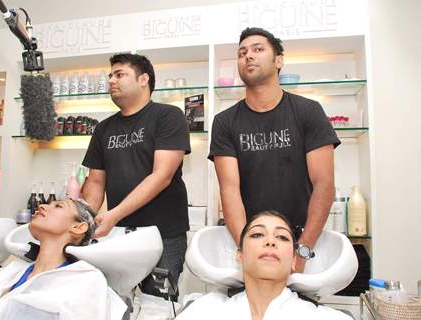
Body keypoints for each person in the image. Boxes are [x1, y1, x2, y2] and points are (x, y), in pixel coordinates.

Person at [209, 27, 340, 272]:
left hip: (299, 239)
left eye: (258, 49)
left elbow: (324, 185)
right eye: (242, 52)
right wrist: (245, 247)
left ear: (279, 60)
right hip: (252, 239)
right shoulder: (225, 122)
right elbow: (229, 190)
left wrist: (303, 250)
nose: (248, 56)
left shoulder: (308, 112)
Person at [81, 53, 191, 298]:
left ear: (143, 80)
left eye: (119, 74)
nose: (111, 80)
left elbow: (161, 176)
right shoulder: (103, 128)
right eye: (110, 75)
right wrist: (82, 218)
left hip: (163, 235)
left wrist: (113, 214)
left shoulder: (168, 116)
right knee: (115, 303)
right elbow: (96, 182)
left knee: (158, 306)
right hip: (118, 234)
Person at [0, 199, 126, 320]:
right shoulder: (7, 273)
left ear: (78, 227)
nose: (41, 206)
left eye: (58, 206)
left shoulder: (85, 280)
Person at [176, 211, 352, 320]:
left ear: (293, 260)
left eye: (282, 237)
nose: (270, 241)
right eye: (258, 234)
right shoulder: (205, 312)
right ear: (240, 255)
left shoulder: (324, 317)